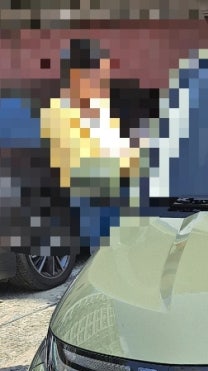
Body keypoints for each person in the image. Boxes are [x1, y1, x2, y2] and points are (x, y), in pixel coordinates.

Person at [40, 39, 144, 249]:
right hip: (91, 207)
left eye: (104, 75)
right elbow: (76, 168)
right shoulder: (57, 114)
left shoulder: (102, 106)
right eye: (97, 75)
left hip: (123, 204)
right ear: (75, 76)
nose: (103, 82)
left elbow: (128, 156)